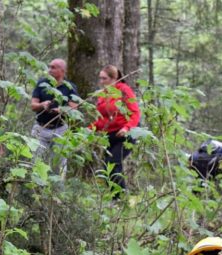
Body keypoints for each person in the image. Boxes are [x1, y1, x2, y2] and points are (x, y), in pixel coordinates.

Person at [89, 65, 140, 197]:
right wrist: (90, 129)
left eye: (104, 78)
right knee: (108, 167)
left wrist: (126, 128)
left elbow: (135, 113)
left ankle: (120, 198)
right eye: (100, 78)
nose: (101, 82)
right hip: (110, 136)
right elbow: (102, 120)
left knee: (112, 163)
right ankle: (117, 197)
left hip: (125, 135)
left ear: (114, 78)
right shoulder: (103, 95)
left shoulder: (124, 90)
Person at [30, 59, 78, 176]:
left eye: (53, 67)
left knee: (58, 165)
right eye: (49, 67)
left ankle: (57, 192)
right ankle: (36, 191)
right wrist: (42, 105)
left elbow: (74, 108)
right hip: (40, 129)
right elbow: (33, 105)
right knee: (36, 163)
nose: (50, 70)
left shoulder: (70, 87)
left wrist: (62, 110)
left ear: (62, 70)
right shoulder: (42, 84)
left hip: (60, 130)